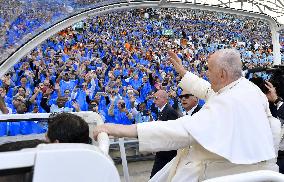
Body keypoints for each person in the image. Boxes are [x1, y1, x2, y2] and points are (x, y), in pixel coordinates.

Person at [93, 49, 281, 181]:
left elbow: (184, 130)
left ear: (222, 74)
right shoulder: (244, 87)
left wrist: (121, 130)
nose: (206, 73)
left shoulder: (230, 100)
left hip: (212, 173)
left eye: (208, 69)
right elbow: (209, 90)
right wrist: (183, 73)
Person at [150, 90, 180, 178]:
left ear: (164, 99)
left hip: (167, 153)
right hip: (162, 152)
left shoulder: (170, 111)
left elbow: (172, 133)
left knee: (156, 177)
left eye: (156, 98)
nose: (154, 100)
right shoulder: (162, 111)